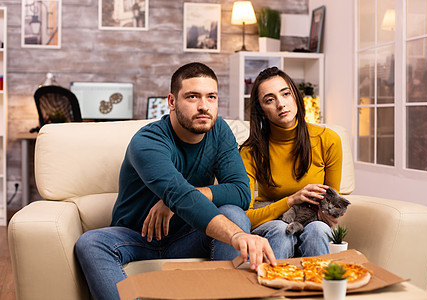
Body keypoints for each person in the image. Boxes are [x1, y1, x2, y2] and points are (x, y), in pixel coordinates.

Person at [75, 62, 276, 300]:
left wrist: (181, 199)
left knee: (234, 214)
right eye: (192, 96)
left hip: (188, 235)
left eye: (211, 97)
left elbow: (242, 193)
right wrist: (236, 236)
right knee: (91, 242)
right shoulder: (148, 141)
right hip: (139, 238)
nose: (204, 106)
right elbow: (179, 194)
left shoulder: (220, 131)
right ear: (171, 102)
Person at [239, 66, 343, 259]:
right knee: (280, 230)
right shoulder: (251, 150)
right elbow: (244, 217)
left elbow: (331, 212)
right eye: (269, 100)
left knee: (319, 230)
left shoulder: (328, 140)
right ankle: (273, 287)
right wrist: (291, 201)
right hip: (272, 223)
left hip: (313, 222)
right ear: (261, 110)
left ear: (295, 95)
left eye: (285, 93)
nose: (281, 104)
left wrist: (329, 213)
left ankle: (320, 288)